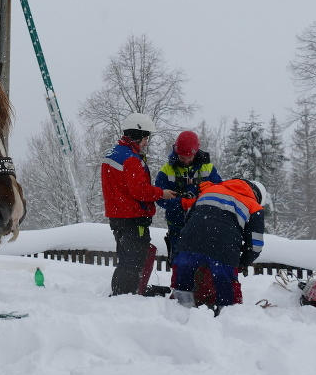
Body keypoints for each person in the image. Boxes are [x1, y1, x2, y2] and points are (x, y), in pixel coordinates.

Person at [101, 112, 177, 296]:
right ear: (137, 134)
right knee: (135, 259)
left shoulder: (112, 154)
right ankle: (127, 295)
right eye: (145, 137)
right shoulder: (131, 159)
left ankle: (124, 290)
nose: (146, 142)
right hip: (133, 217)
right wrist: (162, 193)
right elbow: (140, 191)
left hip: (118, 216)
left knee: (125, 258)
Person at [171, 179, 267, 315]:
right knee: (227, 294)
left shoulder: (209, 191)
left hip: (187, 246)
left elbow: (189, 220)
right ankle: (226, 320)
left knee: (182, 289)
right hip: (223, 251)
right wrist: (242, 263)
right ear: (257, 196)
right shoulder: (254, 206)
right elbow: (255, 245)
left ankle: (180, 316)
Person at [155, 130, 222, 262]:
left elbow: (223, 193)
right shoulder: (166, 170)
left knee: (203, 265)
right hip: (177, 227)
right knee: (180, 264)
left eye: (189, 157)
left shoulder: (207, 168)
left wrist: (212, 188)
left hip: (204, 227)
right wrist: (181, 203)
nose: (186, 161)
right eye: (182, 157)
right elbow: (159, 198)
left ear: (196, 152)